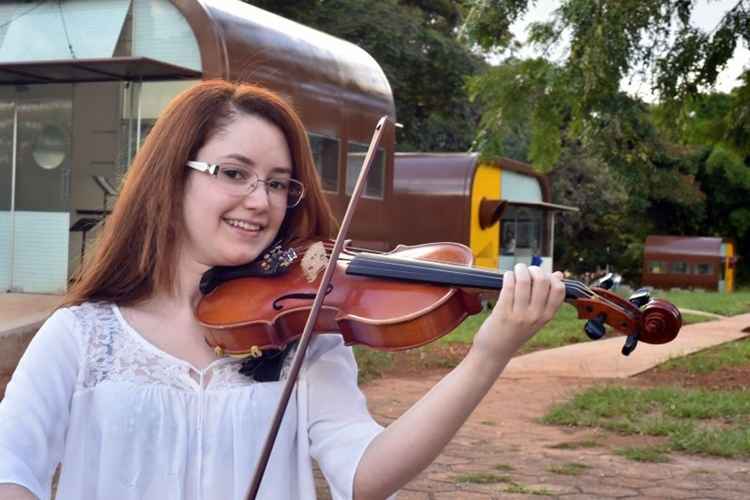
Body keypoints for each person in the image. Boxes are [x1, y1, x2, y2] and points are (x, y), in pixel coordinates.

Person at [0, 80, 565, 500]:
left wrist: (488, 355)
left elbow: (365, 472)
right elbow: (11, 469)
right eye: (234, 173)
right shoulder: (84, 335)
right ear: (172, 177)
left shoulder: (302, 336)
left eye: (277, 183)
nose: (260, 200)